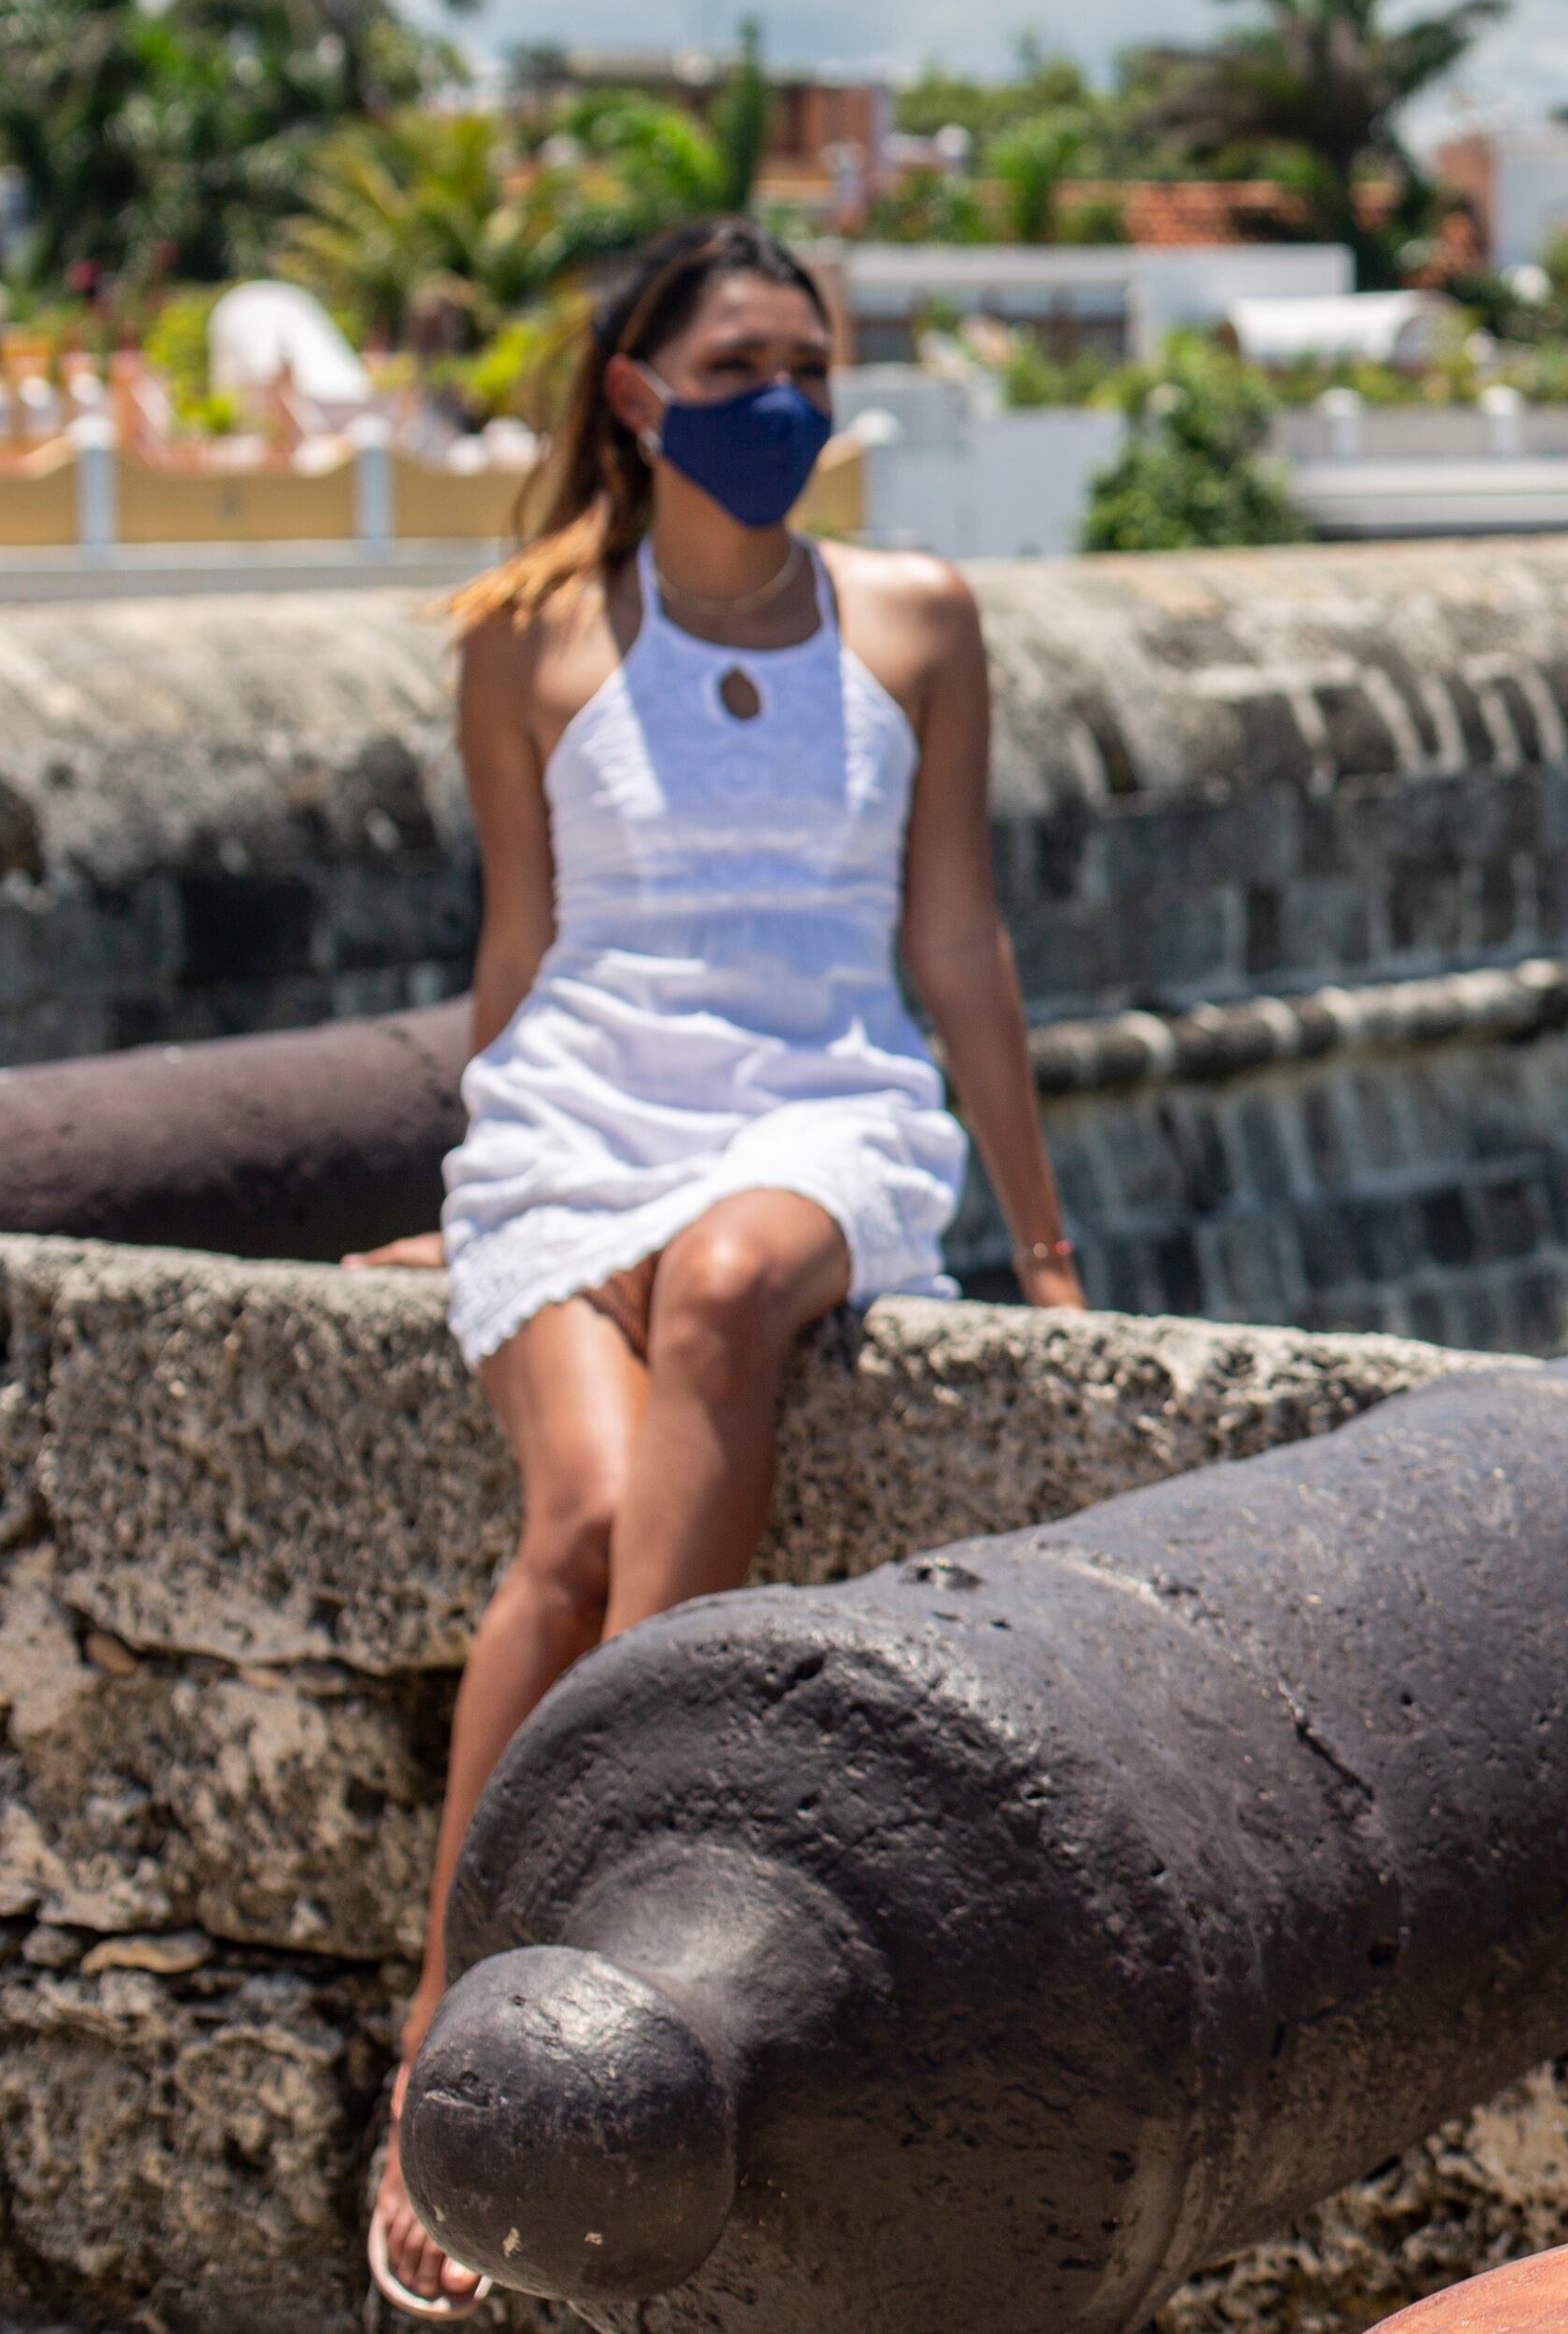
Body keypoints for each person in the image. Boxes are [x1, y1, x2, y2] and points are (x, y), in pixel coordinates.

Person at [355, 216, 1088, 2317]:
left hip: (815, 1104)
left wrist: (1037, 1243)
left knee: (733, 1280)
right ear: (636, 392)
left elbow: (954, 942)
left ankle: (597, 1844)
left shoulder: (919, 618)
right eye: (741, 361)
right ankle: (440, 2024)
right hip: (585, 1116)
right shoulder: (531, 632)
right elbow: (521, 950)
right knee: (572, 1522)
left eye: (810, 361)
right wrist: (472, 1171)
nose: (785, 400)